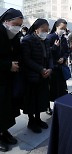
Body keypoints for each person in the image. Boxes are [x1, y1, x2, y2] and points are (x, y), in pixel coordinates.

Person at [21, 19, 53, 133]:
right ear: (36, 29)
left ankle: (38, 119)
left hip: (44, 75)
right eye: (43, 30)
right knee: (31, 100)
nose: (45, 32)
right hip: (32, 76)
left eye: (47, 30)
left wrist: (50, 69)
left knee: (41, 99)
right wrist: (40, 69)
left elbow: (49, 57)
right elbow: (26, 59)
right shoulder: (27, 40)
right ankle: (31, 121)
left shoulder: (46, 40)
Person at [0, 8, 23, 152]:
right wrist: (8, 65)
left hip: (9, 78)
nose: (18, 28)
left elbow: (18, 52)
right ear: (6, 21)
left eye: (20, 25)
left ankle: (4, 131)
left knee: (7, 108)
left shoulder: (13, 34)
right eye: (16, 24)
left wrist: (15, 64)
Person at [47, 19, 69, 115]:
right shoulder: (50, 37)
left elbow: (67, 51)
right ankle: (48, 106)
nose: (63, 30)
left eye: (64, 29)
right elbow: (47, 52)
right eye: (61, 28)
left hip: (61, 67)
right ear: (56, 26)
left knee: (61, 88)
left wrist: (64, 58)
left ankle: (60, 105)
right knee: (51, 88)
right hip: (52, 67)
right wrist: (55, 48)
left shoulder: (63, 38)